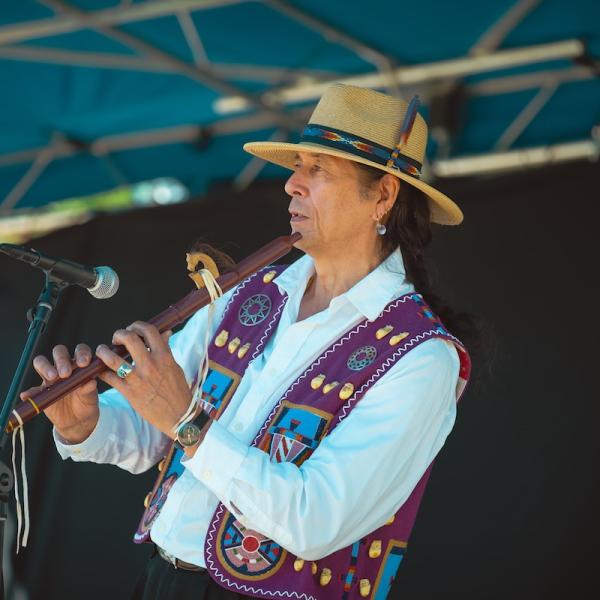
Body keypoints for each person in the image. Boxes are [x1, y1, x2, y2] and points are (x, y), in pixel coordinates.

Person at [24, 84, 473, 600]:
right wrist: (87, 424)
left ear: (383, 196)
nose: (292, 186)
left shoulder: (420, 356)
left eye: (318, 171)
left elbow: (316, 520)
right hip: (162, 579)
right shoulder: (245, 293)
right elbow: (154, 439)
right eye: (297, 166)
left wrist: (186, 422)